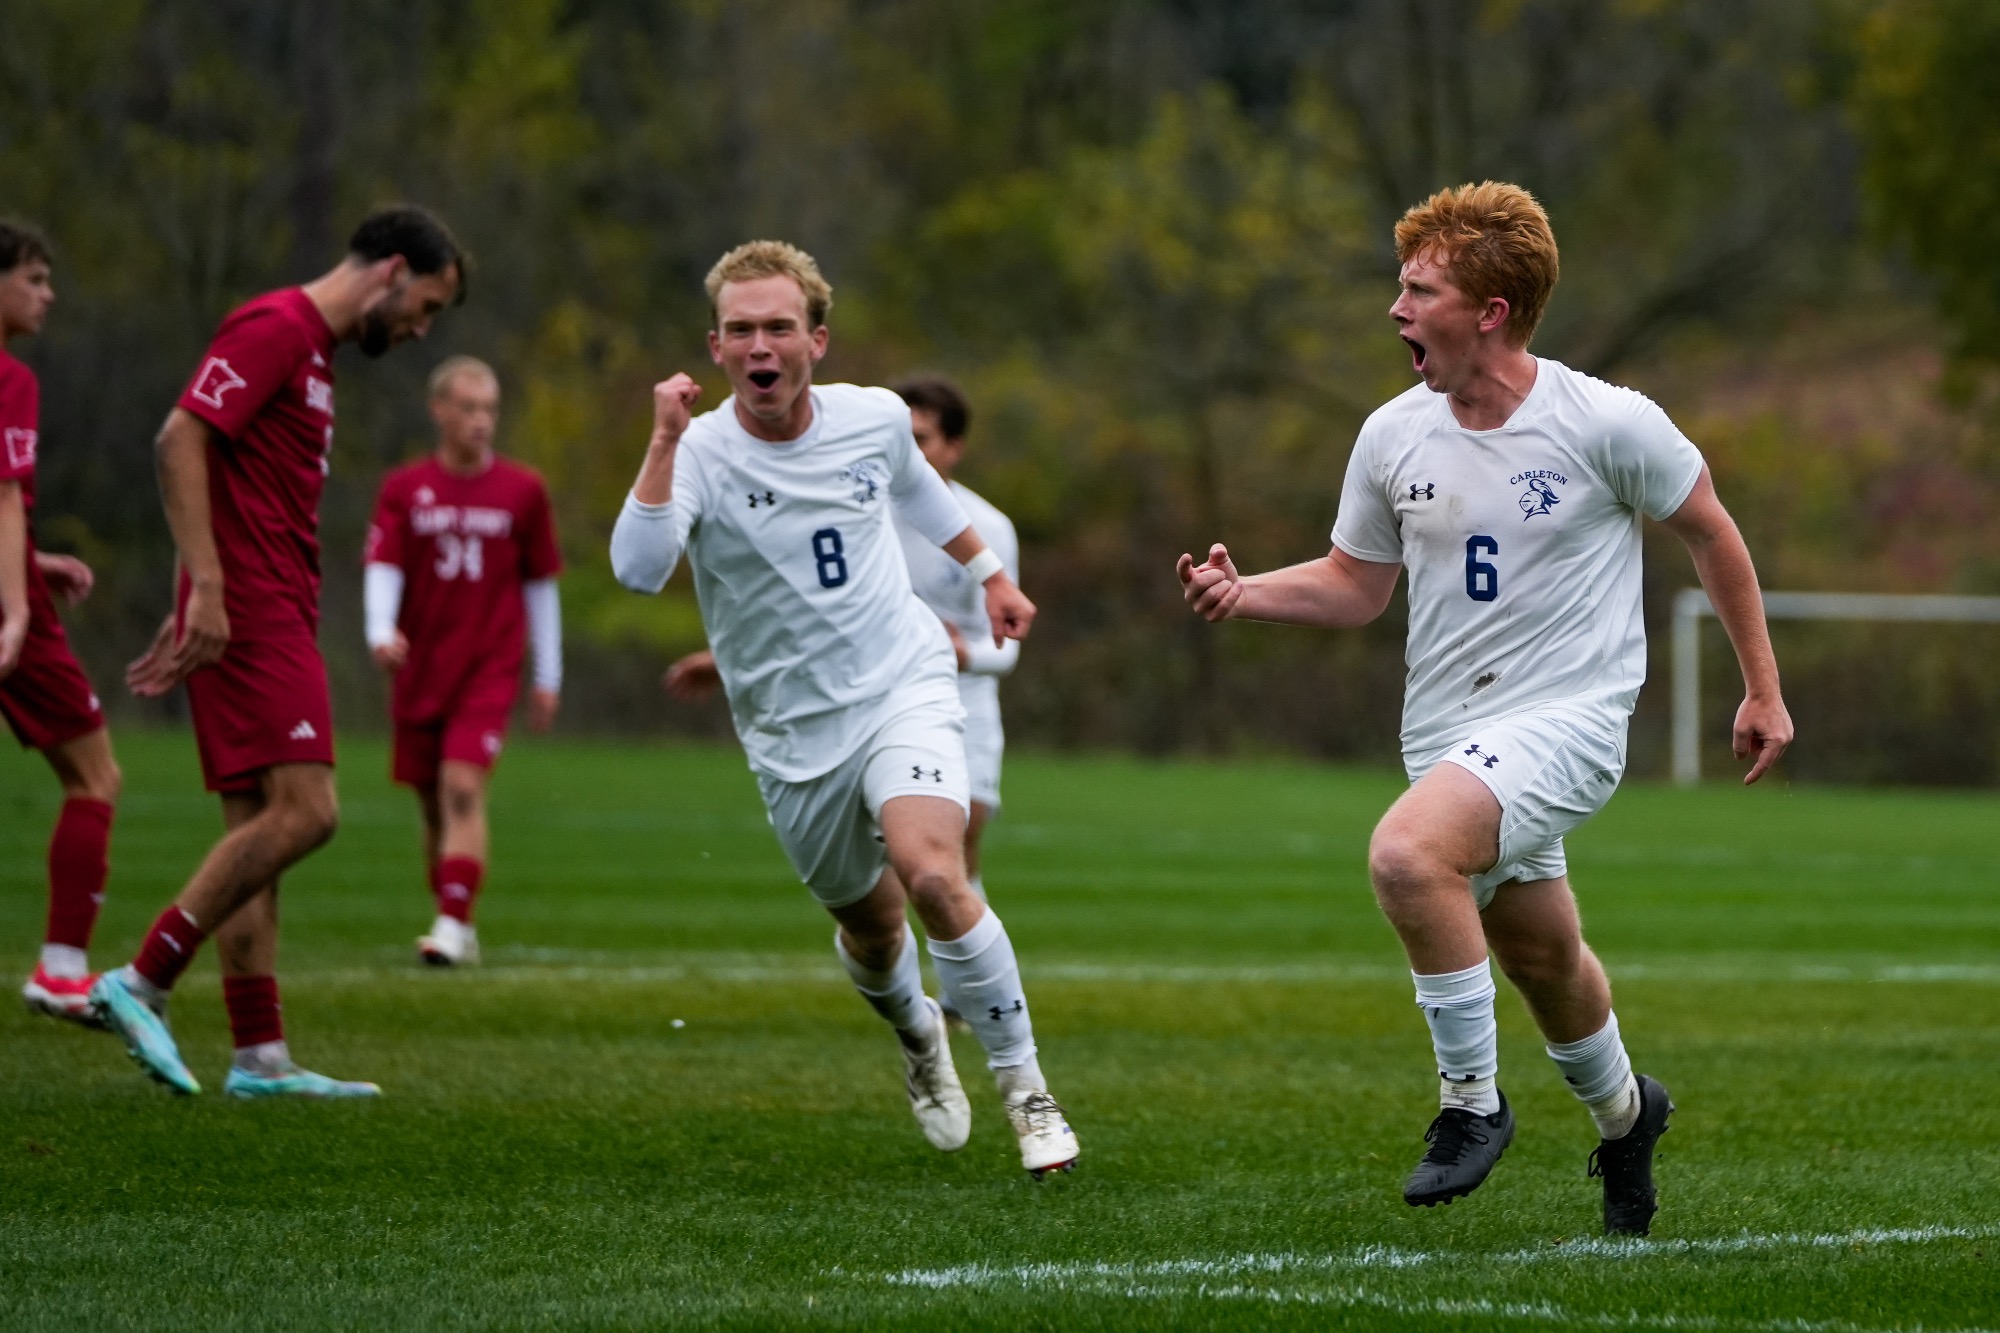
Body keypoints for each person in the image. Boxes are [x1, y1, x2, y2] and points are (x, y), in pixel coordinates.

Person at [1178, 181, 1792, 1236]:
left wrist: (1762, 687)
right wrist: (1247, 595)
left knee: (1406, 857)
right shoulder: (1389, 434)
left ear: (1490, 310)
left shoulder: (1603, 420)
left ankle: (1469, 1104)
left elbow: (1710, 532)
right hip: (1446, 737)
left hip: (1571, 721)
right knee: (1543, 959)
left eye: (1418, 289)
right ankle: (1624, 1115)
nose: (1396, 309)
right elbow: (1354, 583)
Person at [611, 240, 1079, 1177]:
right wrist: (661, 439)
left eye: (778, 326)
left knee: (936, 875)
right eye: (740, 329)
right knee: (873, 929)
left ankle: (1028, 1091)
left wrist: (987, 574)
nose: (760, 345)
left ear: (816, 339)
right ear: (715, 347)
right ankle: (916, 1033)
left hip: (901, 682)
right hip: (791, 735)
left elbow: (919, 490)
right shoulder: (699, 453)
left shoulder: (872, 418)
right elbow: (636, 567)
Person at [94, 206, 467, 1098]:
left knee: (255, 825)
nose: (420, 328)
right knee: (310, 810)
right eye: (425, 305)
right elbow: (180, 435)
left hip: (266, 601)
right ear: (391, 271)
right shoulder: (275, 327)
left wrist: (200, 587)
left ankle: (259, 1054)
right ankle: (140, 977)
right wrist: (209, 585)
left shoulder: (315, 353)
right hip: (252, 606)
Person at [662, 375, 1021, 918]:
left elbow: (1007, 646)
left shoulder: (989, 527)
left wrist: (965, 654)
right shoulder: (859, 509)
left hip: (964, 703)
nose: (908, 448)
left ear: (955, 447)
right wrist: (725, 659)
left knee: (953, 856)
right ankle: (891, 962)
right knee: (895, 863)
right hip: (867, 693)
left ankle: (957, 997)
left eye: (922, 439)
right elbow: (809, 609)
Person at [364, 356, 562, 966]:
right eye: (469, 408)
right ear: (439, 410)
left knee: (461, 786)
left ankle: (451, 921)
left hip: (489, 664)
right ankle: (458, 919)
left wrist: (547, 673)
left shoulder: (522, 490)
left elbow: (541, 583)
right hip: (423, 664)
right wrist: (379, 631)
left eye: (490, 410)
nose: (482, 421)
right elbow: (385, 564)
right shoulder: (404, 488)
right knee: (431, 800)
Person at [0, 220, 123, 1026]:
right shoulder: (11, 380)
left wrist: (33, 561)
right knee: (95, 776)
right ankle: (63, 967)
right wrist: (16, 603)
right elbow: (3, 495)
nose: (48, 295)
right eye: (36, 278)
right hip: (11, 612)